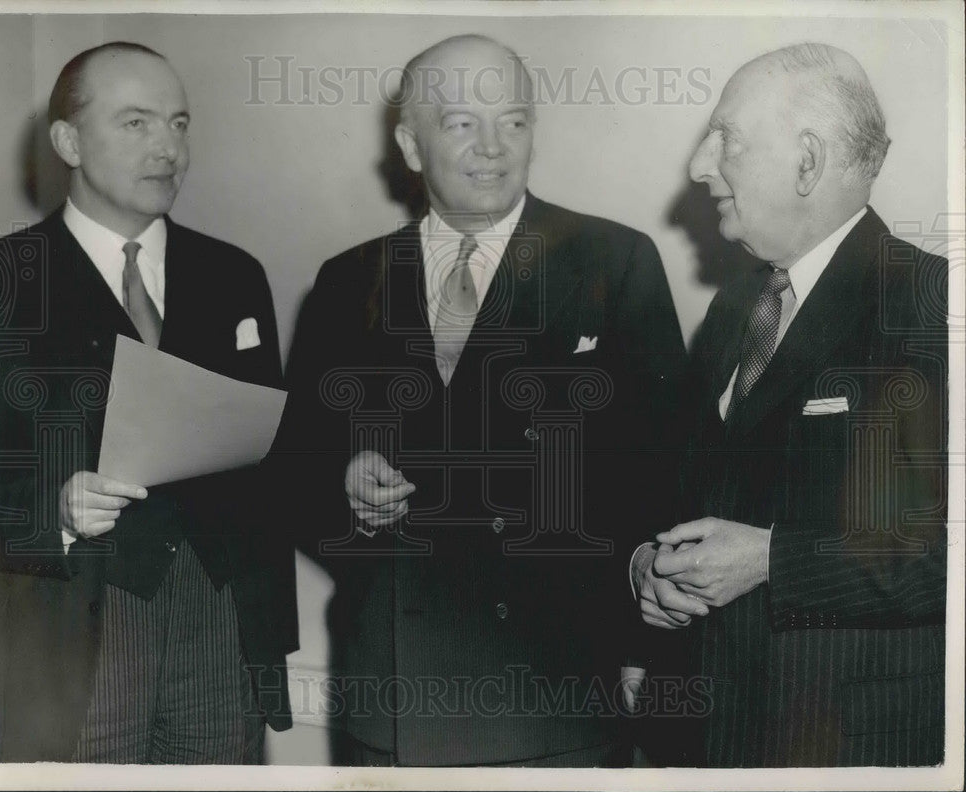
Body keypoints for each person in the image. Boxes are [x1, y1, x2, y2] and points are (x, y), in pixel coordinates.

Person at [272, 34, 686, 767]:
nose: (493, 147)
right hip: (396, 696)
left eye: (515, 121)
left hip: (553, 693)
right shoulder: (348, 280)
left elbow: (662, 472)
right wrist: (342, 489)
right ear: (409, 143)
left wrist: (641, 653)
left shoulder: (613, 262)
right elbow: (292, 469)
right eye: (462, 123)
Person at [630, 42, 947, 766]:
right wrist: (649, 565)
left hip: (840, 749)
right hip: (700, 741)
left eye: (727, 140)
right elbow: (679, 488)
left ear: (807, 161)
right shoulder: (735, 306)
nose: (699, 166)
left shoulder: (932, 306)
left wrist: (776, 560)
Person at [0, 42, 297, 763]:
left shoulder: (235, 275)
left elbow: (274, 450)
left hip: (223, 620)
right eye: (136, 123)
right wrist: (54, 512)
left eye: (180, 123)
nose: (168, 148)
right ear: (68, 140)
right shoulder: (0, 282)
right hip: (76, 620)